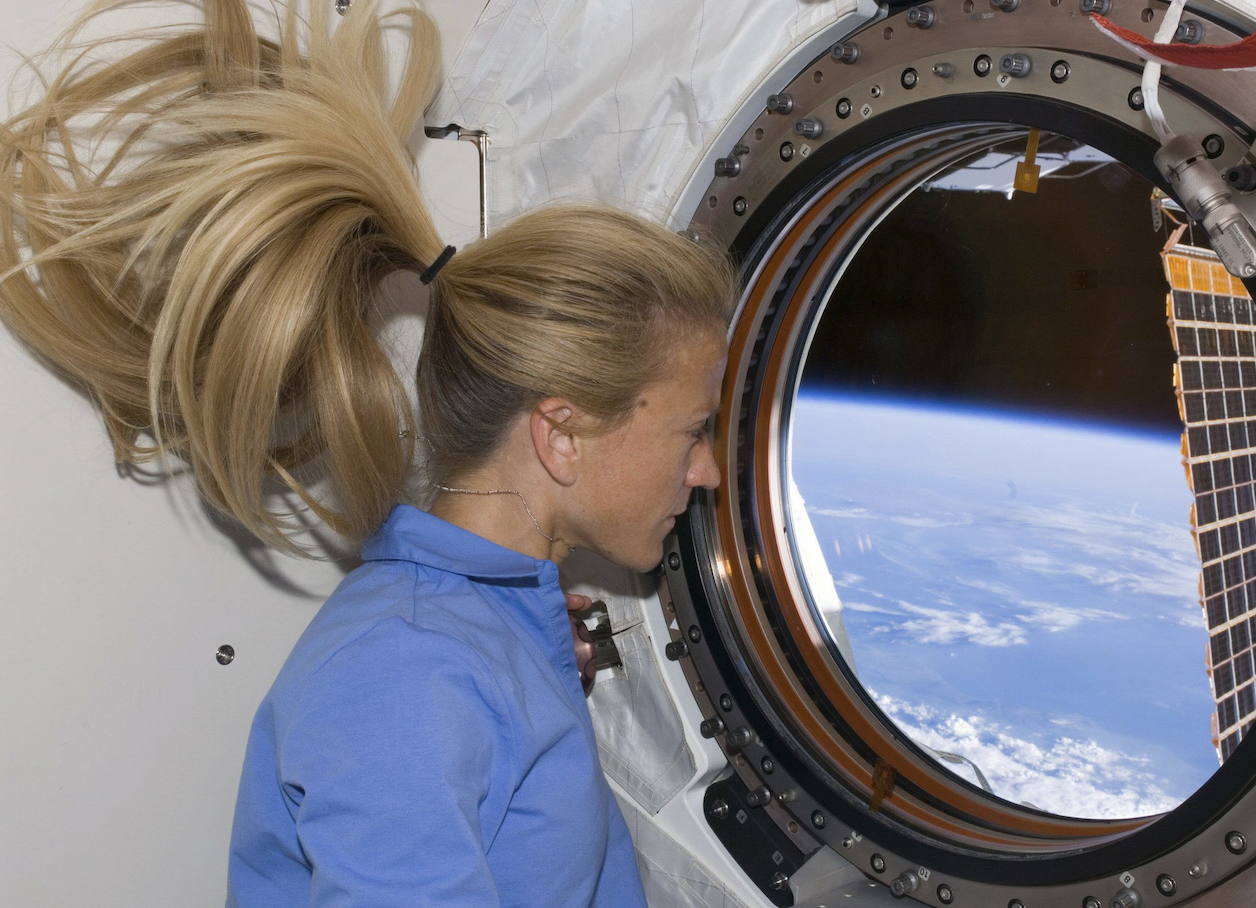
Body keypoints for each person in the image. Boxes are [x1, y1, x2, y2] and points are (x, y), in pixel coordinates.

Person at [0, 0, 734, 903]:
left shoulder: (476, 629)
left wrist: (535, 649)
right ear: (561, 434)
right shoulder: (408, 675)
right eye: (692, 430)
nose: (707, 469)